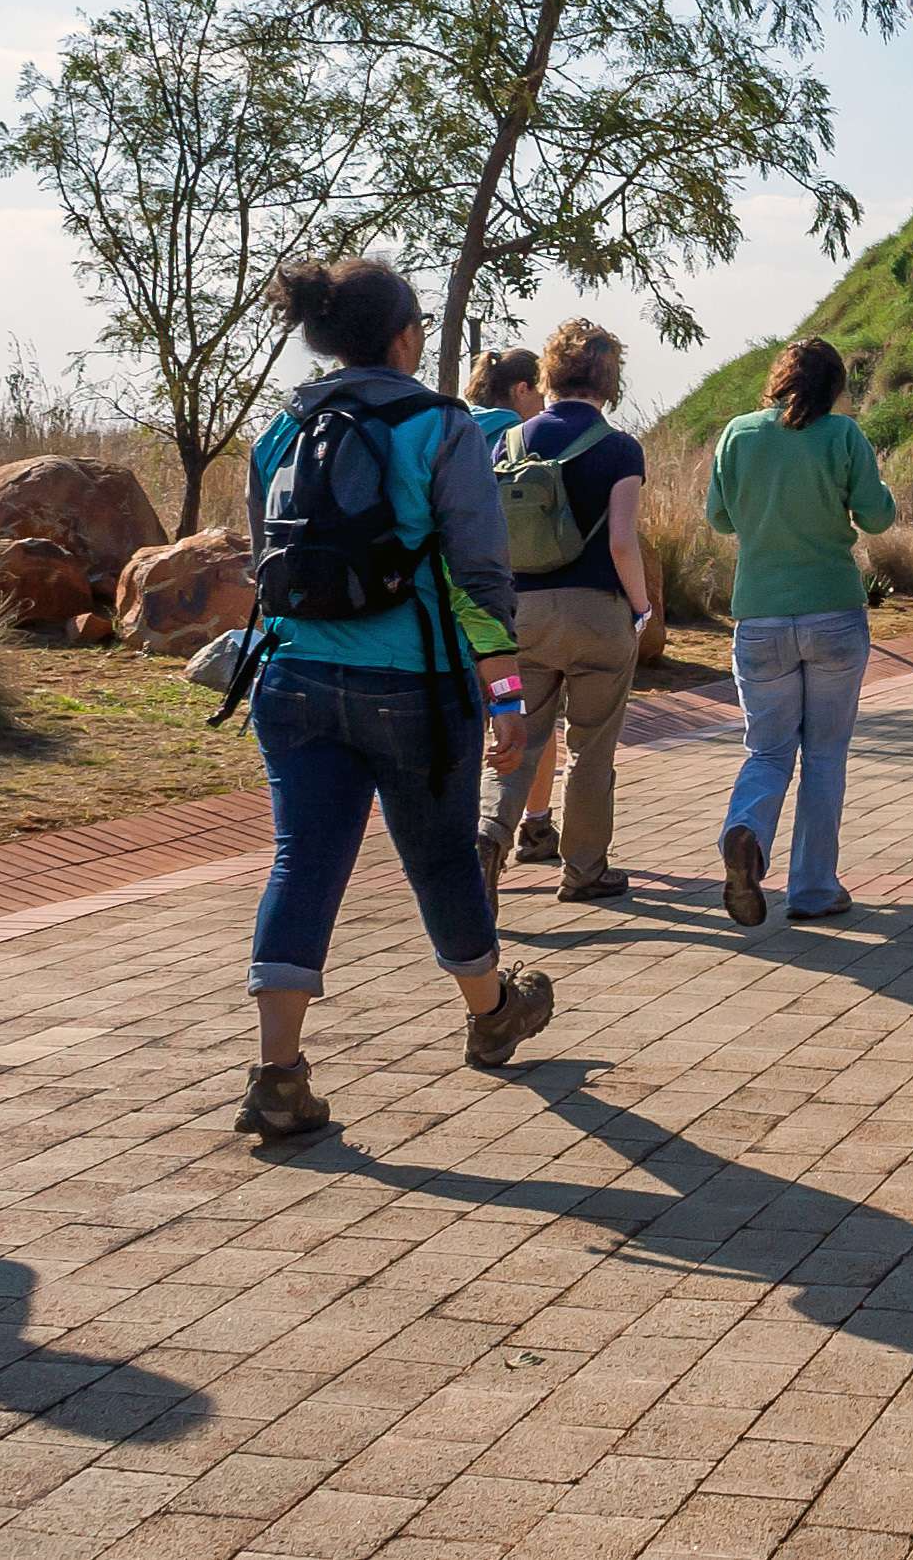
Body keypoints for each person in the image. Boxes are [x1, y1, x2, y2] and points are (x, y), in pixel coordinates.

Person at [232, 256, 554, 1139]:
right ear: (406, 336)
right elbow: (479, 574)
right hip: (411, 685)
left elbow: (267, 564)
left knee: (304, 861)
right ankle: (493, 1014)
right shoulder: (442, 426)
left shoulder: (282, 427)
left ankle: (278, 1076)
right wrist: (508, 695)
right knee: (441, 860)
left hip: (292, 679)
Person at [707, 338, 897, 927]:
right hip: (834, 613)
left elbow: (718, 517)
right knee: (824, 754)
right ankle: (813, 887)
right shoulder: (842, 436)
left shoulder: (739, 434)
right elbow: (878, 517)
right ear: (834, 387)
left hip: (760, 615)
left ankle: (747, 833)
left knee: (767, 748)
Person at [479, 319, 650, 902]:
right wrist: (642, 607)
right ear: (610, 378)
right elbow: (622, 542)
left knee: (518, 739)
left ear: (549, 374)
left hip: (518, 617)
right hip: (597, 615)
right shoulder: (620, 447)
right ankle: (583, 871)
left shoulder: (509, 443)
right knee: (591, 747)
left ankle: (491, 835)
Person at [461, 346, 563, 851]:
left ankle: (461, 829)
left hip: (445, 604)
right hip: (508, 599)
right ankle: (535, 824)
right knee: (531, 714)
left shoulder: (447, 427)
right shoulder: (513, 437)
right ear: (522, 389)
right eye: (539, 393)